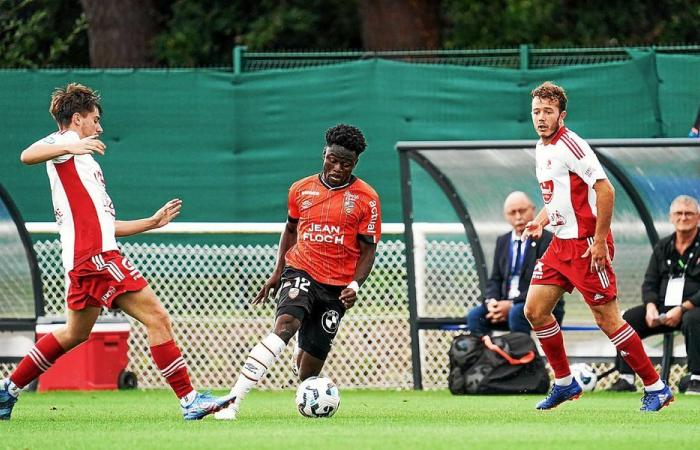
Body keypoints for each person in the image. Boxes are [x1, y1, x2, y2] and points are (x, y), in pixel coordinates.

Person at [0, 83, 234, 421]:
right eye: (95, 120)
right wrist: (75, 143)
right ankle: (189, 400)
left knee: (73, 332)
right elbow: (26, 155)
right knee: (157, 318)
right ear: (77, 119)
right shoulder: (66, 143)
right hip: (96, 257)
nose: (100, 128)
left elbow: (108, 224)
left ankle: (6, 392)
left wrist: (151, 223)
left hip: (88, 256)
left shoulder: (85, 161)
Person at [522, 81, 673, 411]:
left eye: (548, 111)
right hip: (560, 246)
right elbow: (560, 198)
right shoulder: (541, 147)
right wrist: (541, 220)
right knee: (534, 310)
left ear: (562, 115)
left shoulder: (571, 145)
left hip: (588, 245)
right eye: (536, 112)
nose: (541, 117)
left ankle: (656, 387)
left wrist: (601, 241)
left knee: (608, 320)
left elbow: (605, 191)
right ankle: (564, 383)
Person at [215, 124, 381, 420]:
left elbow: (368, 249)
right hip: (301, 270)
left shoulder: (367, 198)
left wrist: (355, 285)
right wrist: (278, 271)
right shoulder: (300, 189)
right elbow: (290, 230)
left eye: (346, 163)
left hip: (336, 288)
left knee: (308, 371)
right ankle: (232, 402)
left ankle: (308, 382)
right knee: (285, 326)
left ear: (355, 164)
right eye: (333, 159)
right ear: (324, 154)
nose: (337, 168)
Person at [609, 195, 700, 394]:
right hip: (662, 307)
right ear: (670, 217)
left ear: (698, 217)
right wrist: (650, 307)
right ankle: (626, 377)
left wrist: (683, 308)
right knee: (627, 319)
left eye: (689, 213)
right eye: (679, 213)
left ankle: (696, 377)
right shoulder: (663, 246)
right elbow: (650, 282)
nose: (683, 218)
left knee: (695, 319)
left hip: (692, 308)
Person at [467, 191, 564, 335]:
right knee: (475, 316)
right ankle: (484, 356)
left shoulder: (548, 240)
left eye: (522, 211)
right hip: (506, 306)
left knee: (517, 313)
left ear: (532, 209)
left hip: (541, 306)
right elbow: (496, 278)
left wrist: (512, 304)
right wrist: (492, 302)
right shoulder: (503, 241)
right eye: (512, 212)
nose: (518, 217)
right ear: (506, 215)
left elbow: (547, 283)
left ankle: (525, 357)